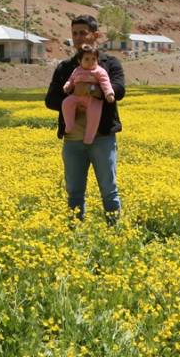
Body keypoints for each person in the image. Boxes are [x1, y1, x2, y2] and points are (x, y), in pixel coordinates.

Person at [45, 15, 125, 224]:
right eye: (74, 34)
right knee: (74, 192)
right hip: (73, 140)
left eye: (83, 33)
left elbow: (119, 89)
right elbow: (51, 100)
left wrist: (92, 90)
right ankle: (74, 233)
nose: (78, 38)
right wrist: (73, 95)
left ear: (95, 35)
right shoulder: (65, 68)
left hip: (102, 138)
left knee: (109, 190)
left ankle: (115, 233)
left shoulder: (109, 63)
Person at [61, 44, 115, 145]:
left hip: (92, 98)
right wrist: (67, 86)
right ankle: (69, 124)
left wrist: (109, 94)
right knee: (66, 103)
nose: (91, 62)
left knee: (94, 115)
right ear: (79, 61)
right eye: (87, 59)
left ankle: (89, 137)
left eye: (93, 59)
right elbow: (71, 80)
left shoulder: (99, 71)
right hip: (77, 96)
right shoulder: (77, 70)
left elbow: (105, 82)